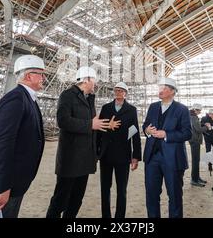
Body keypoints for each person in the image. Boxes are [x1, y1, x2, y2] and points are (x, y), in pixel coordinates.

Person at [0, 55, 46, 218]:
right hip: (2, 182)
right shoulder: (15, 98)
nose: (44, 78)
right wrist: (3, 187)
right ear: (28, 76)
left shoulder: (28, 99)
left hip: (15, 180)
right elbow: (2, 144)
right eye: (41, 74)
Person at [46, 66, 119, 218]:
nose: (95, 85)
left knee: (76, 200)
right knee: (60, 200)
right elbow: (63, 121)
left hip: (85, 158)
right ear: (86, 80)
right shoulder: (67, 95)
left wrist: (103, 125)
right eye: (94, 81)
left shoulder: (89, 99)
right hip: (71, 159)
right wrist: (90, 125)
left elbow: (92, 124)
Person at [142, 77, 192, 218]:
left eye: (164, 88)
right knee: (151, 194)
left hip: (173, 159)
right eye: (160, 88)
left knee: (174, 195)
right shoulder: (153, 107)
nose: (160, 91)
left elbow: (187, 133)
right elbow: (145, 125)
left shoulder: (182, 109)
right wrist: (147, 131)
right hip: (152, 157)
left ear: (172, 92)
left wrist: (166, 134)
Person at [97, 82, 141, 218]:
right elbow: (99, 130)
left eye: (121, 90)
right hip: (106, 154)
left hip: (123, 155)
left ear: (125, 93)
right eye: (116, 90)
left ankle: (119, 217)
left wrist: (136, 156)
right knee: (105, 188)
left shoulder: (131, 110)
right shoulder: (106, 108)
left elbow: (135, 133)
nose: (118, 92)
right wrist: (96, 152)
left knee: (121, 189)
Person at [189, 103, 210, 187]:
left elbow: (196, 127)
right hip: (195, 141)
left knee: (196, 160)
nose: (200, 112)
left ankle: (196, 177)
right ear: (195, 110)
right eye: (199, 111)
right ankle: (194, 179)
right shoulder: (193, 117)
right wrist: (207, 127)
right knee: (195, 161)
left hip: (194, 140)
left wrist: (203, 125)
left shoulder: (192, 116)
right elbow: (198, 129)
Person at [201, 109, 213, 173]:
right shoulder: (204, 118)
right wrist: (205, 134)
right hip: (207, 138)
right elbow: (201, 127)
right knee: (208, 151)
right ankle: (210, 165)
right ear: (209, 114)